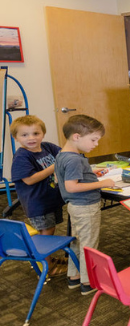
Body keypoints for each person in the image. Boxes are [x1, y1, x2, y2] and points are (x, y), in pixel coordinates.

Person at [54, 115, 115, 295]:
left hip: (75, 206)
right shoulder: (75, 159)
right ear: (76, 136)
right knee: (89, 244)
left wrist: (89, 171)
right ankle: (89, 282)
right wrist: (102, 183)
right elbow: (71, 186)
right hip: (85, 206)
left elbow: (63, 177)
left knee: (78, 241)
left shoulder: (63, 155)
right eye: (93, 139)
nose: (96, 144)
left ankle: (74, 276)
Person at [10, 115, 66, 276]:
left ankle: (47, 259)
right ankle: (47, 266)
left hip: (50, 199)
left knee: (50, 229)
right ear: (16, 138)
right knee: (46, 233)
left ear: (43, 133)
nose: (31, 138)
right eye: (24, 135)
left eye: (36, 133)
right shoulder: (22, 156)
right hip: (38, 203)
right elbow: (29, 180)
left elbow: (63, 154)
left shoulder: (48, 147)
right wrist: (54, 167)